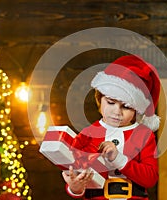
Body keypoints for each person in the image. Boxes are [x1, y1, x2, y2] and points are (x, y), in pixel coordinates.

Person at [62, 55, 161, 199]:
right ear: (99, 99)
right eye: (110, 102)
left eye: (126, 107)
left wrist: (118, 158)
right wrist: (75, 188)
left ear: (136, 110)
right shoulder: (87, 134)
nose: (117, 112)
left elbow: (150, 178)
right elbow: (76, 169)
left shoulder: (143, 135)